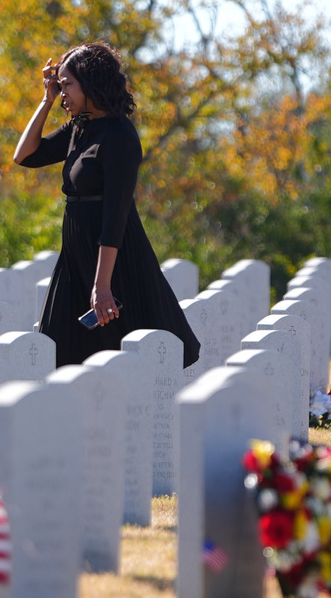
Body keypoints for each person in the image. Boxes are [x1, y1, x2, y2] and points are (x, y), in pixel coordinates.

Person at [13, 41, 201, 368]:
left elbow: (115, 216)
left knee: (126, 348)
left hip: (114, 256)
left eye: (68, 84)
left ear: (91, 82)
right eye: (60, 85)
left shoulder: (120, 136)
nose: (63, 93)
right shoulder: (79, 128)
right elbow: (24, 156)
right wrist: (46, 99)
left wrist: (103, 286)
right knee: (63, 347)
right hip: (75, 253)